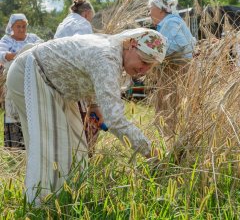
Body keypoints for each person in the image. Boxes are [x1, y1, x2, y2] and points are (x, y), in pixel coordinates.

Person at [6, 28, 167, 203]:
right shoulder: (106, 58)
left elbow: (87, 73)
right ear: (132, 44)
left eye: (150, 66)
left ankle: (68, 201)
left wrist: (95, 106)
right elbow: (116, 120)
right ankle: (43, 206)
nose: (144, 70)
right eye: (143, 61)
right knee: (52, 147)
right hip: (30, 75)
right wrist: (150, 151)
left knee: (76, 149)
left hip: (54, 85)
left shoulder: (113, 52)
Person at [148, 0, 196, 139]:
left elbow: (181, 44)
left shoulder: (170, 22)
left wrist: (156, 55)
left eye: (151, 9)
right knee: (170, 107)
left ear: (161, 9)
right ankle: (171, 139)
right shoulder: (171, 21)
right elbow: (190, 42)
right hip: (176, 69)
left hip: (175, 70)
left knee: (169, 107)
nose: (149, 13)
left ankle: (170, 140)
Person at [54, 0, 96, 155]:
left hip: (57, 76)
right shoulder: (82, 24)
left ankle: (70, 153)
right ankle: (83, 155)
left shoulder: (64, 23)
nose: (90, 22)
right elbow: (84, 52)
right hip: (73, 78)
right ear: (86, 14)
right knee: (80, 118)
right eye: (90, 18)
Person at [0, 13, 42, 148]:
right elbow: (2, 54)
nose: (22, 29)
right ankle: (16, 148)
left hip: (32, 80)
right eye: (18, 26)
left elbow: (43, 47)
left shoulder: (33, 38)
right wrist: (12, 55)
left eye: (24, 26)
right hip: (12, 80)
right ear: (12, 27)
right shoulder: (6, 40)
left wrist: (21, 54)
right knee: (14, 111)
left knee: (32, 110)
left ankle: (34, 146)